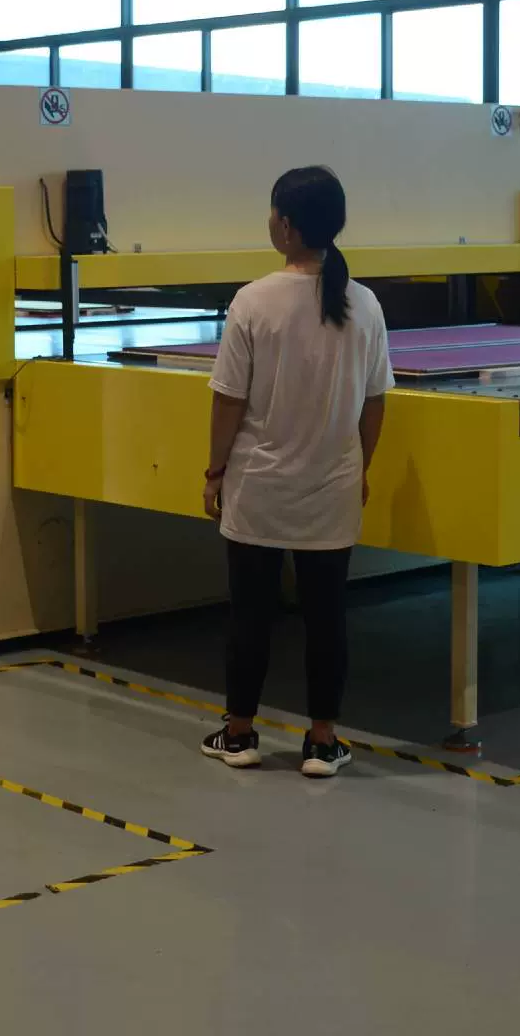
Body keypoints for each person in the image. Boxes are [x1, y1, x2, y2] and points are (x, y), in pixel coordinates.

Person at [199, 165, 392, 779]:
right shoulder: (365, 304)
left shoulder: (253, 301)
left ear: (285, 226)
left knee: (250, 614)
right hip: (332, 487)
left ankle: (239, 734)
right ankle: (322, 741)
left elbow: (228, 400)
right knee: (326, 617)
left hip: (259, 486)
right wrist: (360, 465)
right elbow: (375, 401)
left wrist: (215, 471)